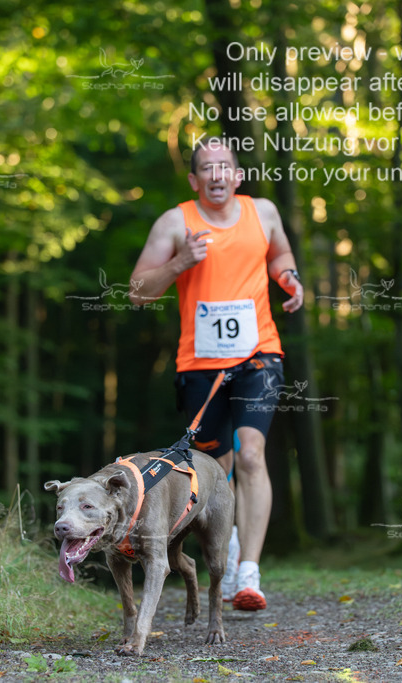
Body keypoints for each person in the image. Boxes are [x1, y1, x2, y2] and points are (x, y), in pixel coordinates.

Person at [128, 139, 304, 611]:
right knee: (217, 472)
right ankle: (224, 552)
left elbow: (280, 255)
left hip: (258, 354)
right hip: (199, 366)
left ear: (238, 174)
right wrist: (181, 262)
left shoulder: (262, 212)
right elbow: (137, 292)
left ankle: (249, 571)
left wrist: (289, 278)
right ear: (194, 180)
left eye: (225, 166)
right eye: (207, 168)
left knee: (253, 455)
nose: (217, 175)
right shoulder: (175, 222)